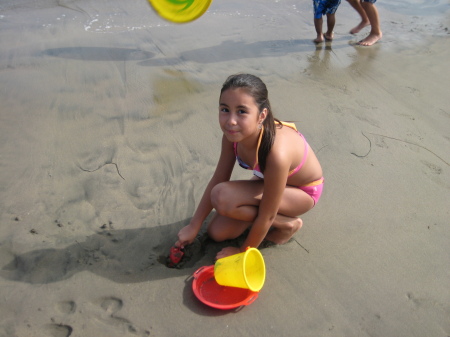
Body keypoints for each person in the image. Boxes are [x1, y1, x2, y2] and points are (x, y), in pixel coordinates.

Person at [175, 74, 324, 260]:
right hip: (267, 181)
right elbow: (219, 178)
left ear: (262, 115)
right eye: (224, 109)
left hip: (301, 192)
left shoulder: (276, 154)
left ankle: (286, 225)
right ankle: (278, 222)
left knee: (222, 196)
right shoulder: (232, 136)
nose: (231, 120)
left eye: (242, 111)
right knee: (217, 232)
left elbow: (267, 214)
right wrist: (193, 226)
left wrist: (242, 253)